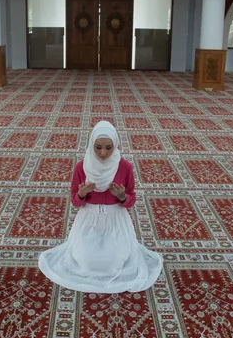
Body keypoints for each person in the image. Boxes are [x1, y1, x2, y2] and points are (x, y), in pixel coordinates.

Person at [38, 121, 163, 293]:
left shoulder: (125, 167)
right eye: (98, 147)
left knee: (114, 261)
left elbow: (131, 200)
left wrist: (121, 196)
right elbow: (75, 201)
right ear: (91, 145)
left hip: (116, 221)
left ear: (116, 145)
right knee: (86, 260)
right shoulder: (81, 167)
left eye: (108, 148)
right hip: (89, 222)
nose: (103, 153)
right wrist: (82, 194)